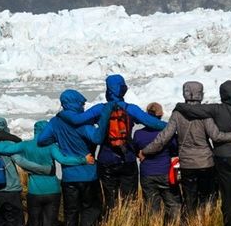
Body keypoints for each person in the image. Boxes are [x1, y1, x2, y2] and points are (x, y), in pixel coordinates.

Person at [55, 74, 165, 214]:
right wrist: (176, 125)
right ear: (123, 90)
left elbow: (78, 120)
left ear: (108, 90)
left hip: (106, 160)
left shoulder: (99, 109)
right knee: (129, 200)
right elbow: (154, 123)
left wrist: (62, 114)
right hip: (127, 159)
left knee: (110, 200)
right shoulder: (130, 109)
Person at [139, 81, 231, 213]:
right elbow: (216, 136)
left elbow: (163, 138)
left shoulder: (177, 114)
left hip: (187, 164)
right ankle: (206, 225)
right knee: (207, 198)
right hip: (206, 162)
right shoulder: (205, 113)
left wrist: (145, 151)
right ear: (200, 94)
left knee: (189, 200)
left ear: (185, 93)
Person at [175, 80, 231, 226]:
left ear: (222, 94)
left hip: (222, 157)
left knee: (227, 192)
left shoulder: (215, 109)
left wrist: (178, 106)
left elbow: (194, 111)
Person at [36, 90, 113, 226]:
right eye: (82, 103)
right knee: (90, 211)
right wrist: (104, 119)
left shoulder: (55, 122)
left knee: (71, 214)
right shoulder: (83, 124)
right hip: (89, 176)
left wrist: (59, 141)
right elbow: (98, 138)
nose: (84, 106)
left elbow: (41, 140)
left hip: (68, 177)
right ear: (77, 103)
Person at [132, 102, 180, 225]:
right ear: (161, 115)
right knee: (173, 204)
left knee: (152, 208)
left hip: (147, 174)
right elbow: (175, 149)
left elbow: (135, 150)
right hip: (166, 173)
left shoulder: (138, 134)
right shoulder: (167, 133)